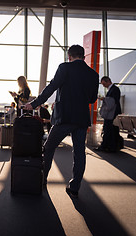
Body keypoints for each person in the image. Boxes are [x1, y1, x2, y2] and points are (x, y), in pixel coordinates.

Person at [24, 45, 99, 198]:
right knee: (79, 153)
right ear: (83, 57)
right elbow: (92, 99)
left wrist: (34, 103)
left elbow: (51, 87)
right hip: (82, 119)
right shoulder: (93, 74)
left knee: (49, 147)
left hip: (64, 118)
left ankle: (42, 179)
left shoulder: (64, 68)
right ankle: (74, 187)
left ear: (69, 56)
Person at [95, 76, 122, 152]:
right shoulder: (113, 89)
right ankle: (109, 146)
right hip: (112, 113)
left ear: (108, 81)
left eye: (104, 84)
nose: (103, 86)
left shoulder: (114, 89)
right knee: (109, 130)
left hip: (112, 113)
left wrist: (104, 99)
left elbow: (113, 102)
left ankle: (105, 146)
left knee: (108, 130)